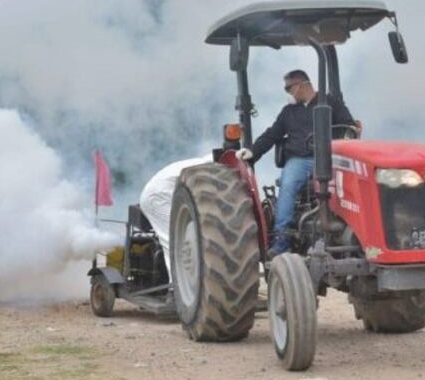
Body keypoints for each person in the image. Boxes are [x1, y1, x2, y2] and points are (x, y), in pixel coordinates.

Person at [237, 70, 358, 257]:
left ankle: (354, 231)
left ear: (303, 85)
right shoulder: (289, 112)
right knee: (289, 183)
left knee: (351, 183)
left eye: (289, 88)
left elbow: (348, 126)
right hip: (300, 160)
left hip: (330, 158)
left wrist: (352, 131)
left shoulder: (331, 103)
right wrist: (252, 151)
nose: (288, 93)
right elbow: (272, 134)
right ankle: (281, 238)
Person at [138, 156, 207, 273]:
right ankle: (177, 287)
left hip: (167, 192)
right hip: (158, 196)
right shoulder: (220, 161)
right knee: (179, 240)